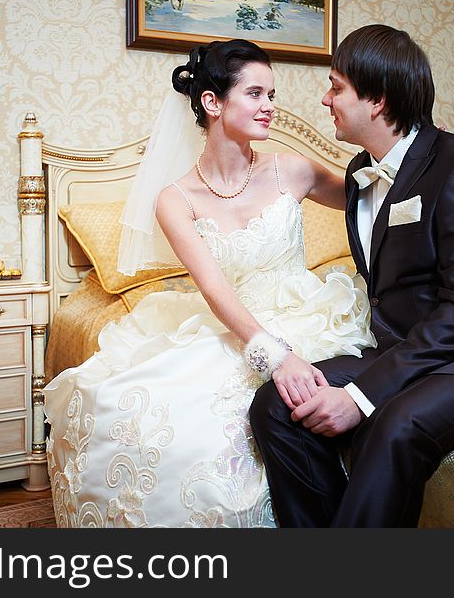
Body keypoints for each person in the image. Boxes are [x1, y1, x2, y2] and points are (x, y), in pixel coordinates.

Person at [43, 39, 376, 528]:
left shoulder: (294, 169)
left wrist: (421, 169)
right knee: (147, 414)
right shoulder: (175, 199)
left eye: (272, 94)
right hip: (234, 323)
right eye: (256, 94)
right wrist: (274, 355)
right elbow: (215, 288)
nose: (271, 107)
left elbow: (371, 202)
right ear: (212, 103)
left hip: (310, 311)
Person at [249, 24, 454, 527]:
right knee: (276, 404)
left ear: (375, 100)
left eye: (336, 87)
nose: (325, 98)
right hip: (413, 349)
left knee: (393, 422)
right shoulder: (359, 173)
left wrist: (359, 395)